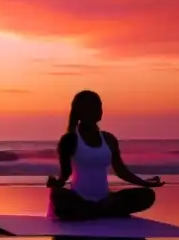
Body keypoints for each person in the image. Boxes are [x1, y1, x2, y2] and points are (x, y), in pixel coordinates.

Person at [47, 90, 164, 221]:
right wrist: (55, 183)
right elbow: (65, 175)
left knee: (147, 195)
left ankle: (91, 211)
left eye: (99, 105)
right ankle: (96, 211)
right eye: (94, 106)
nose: (99, 110)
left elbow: (121, 171)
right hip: (79, 199)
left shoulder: (109, 139)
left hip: (106, 200)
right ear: (81, 111)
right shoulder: (69, 140)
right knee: (58, 195)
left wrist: (144, 183)